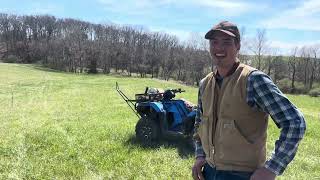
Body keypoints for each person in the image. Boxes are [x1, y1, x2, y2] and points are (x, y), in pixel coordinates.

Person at [191, 21, 306, 180]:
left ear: (237, 46)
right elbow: (199, 122)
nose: (219, 48)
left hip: (244, 175)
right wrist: (200, 155)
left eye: (226, 42)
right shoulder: (205, 83)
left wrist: (271, 169)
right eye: (214, 42)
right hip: (209, 172)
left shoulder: (253, 80)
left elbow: (295, 122)